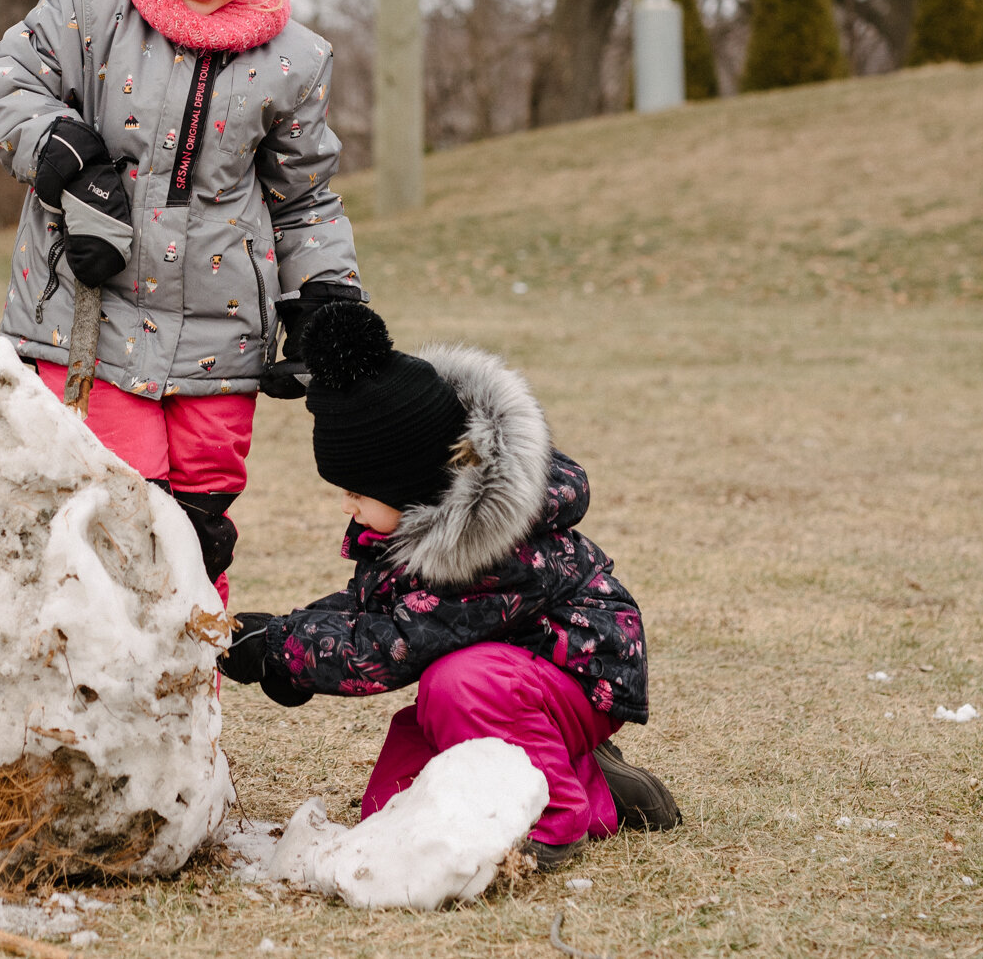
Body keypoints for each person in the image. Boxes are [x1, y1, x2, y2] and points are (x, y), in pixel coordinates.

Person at [0, 0, 361, 596]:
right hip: (89, 315)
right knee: (115, 517)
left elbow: (305, 199)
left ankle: (189, 699)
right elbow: (1, 82)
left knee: (199, 531)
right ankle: (90, 696)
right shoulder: (92, 2)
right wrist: (63, 152)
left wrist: (325, 297)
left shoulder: (295, 62)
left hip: (221, 343)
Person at [216, 302, 677, 872]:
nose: (346, 506)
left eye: (358, 493)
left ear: (410, 483)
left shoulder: (487, 548)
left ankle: (552, 821)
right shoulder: (420, 525)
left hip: (572, 680)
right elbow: (375, 610)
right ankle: (595, 785)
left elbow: (395, 644)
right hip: (504, 686)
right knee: (391, 811)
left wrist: (287, 654)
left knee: (458, 685)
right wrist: (279, 638)